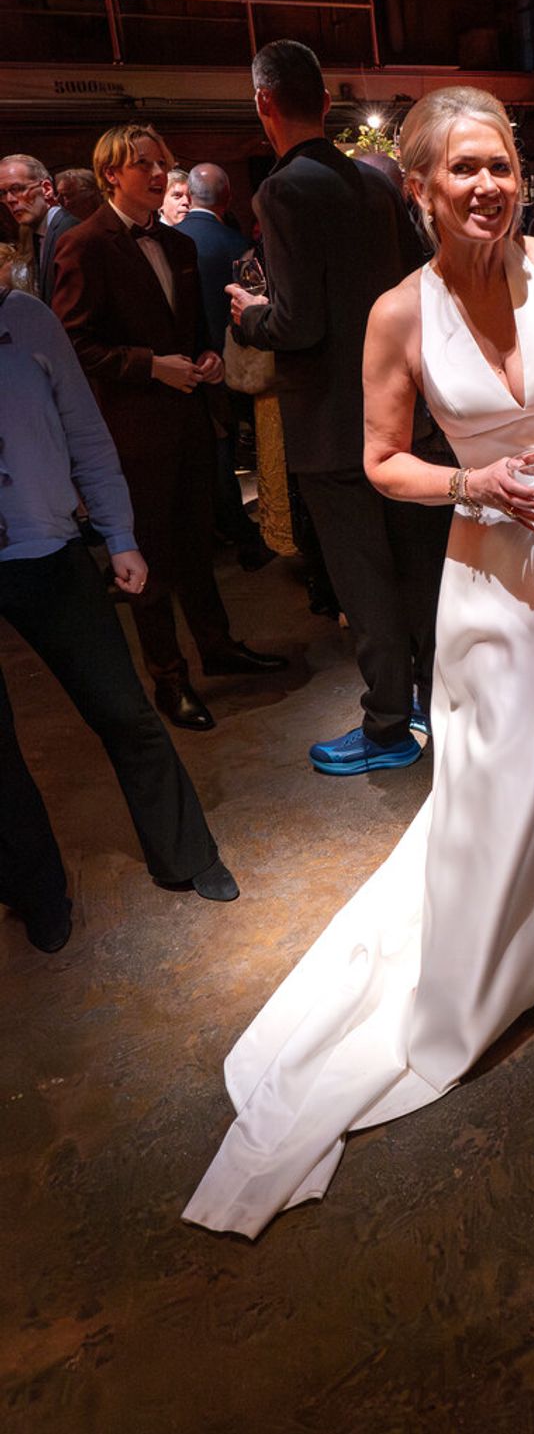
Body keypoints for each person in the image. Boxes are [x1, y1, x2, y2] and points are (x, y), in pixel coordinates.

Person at [184, 85, 534, 1238]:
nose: (487, 187)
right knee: (503, 764)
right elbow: (379, 462)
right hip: (498, 558)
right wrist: (474, 480)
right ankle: (500, 942)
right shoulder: (396, 316)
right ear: (418, 189)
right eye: (462, 169)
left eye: (501, 165)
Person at [226, 40, 448, 776]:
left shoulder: (282, 191)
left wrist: (248, 314)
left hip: (331, 426)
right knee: (417, 574)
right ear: (324, 102)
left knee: (363, 582)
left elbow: (299, 324)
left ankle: (386, 727)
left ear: (265, 104)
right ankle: (429, 702)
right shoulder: (377, 186)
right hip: (405, 415)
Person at [0, 271, 238, 954]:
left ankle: (187, 853)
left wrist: (120, 533)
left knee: (122, 709)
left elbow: (86, 431)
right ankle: (35, 888)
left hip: (47, 548)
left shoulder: (29, 318)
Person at [51, 124, 285, 732]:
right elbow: (71, 345)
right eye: (145, 165)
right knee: (147, 558)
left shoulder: (178, 245)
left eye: (163, 164)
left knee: (196, 543)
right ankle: (170, 679)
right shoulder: (84, 245)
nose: (159, 175)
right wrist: (150, 366)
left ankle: (218, 646)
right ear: (111, 174)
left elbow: (190, 332)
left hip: (186, 420)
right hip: (128, 430)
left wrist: (206, 356)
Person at [177, 163, 273, 571]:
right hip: (235, 360)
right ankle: (240, 527)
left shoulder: (171, 241)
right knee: (232, 450)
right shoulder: (236, 245)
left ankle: (215, 525)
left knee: (208, 452)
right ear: (227, 196)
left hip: (185, 361)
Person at [0, 151, 77, 299]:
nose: (9, 200)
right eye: (2, 193)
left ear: (47, 189)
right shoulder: (38, 234)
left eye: (17, 189)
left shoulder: (69, 233)